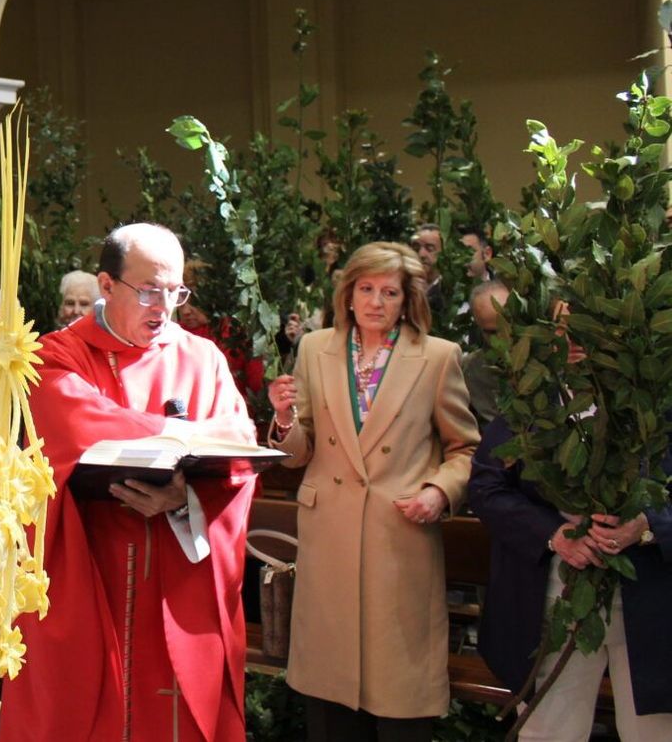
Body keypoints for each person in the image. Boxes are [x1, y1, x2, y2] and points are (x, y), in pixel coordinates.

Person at [0, 223, 258, 742]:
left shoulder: (202, 361)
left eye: (175, 291)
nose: (165, 307)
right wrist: (185, 434)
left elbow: (238, 453)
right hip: (91, 578)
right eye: (149, 291)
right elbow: (74, 423)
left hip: (175, 579)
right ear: (106, 284)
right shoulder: (55, 355)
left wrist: (183, 497)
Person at [266, 240, 479, 740]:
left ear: (407, 300)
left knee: (400, 698)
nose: (375, 302)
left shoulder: (438, 357)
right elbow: (299, 452)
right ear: (348, 293)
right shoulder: (316, 348)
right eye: (366, 288)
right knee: (330, 699)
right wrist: (281, 419)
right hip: (330, 541)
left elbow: (466, 450)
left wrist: (439, 492)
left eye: (388, 292)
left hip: (399, 539)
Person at [469, 411, 670, 740]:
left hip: (652, 603)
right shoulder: (532, 400)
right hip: (552, 599)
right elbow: (486, 486)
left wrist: (647, 525)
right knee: (548, 732)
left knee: (655, 733)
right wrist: (553, 534)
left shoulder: (658, 392)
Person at [460, 280, 510, 428]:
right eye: (492, 333)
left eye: (508, 326)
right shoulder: (470, 370)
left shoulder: (547, 363)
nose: (503, 338)